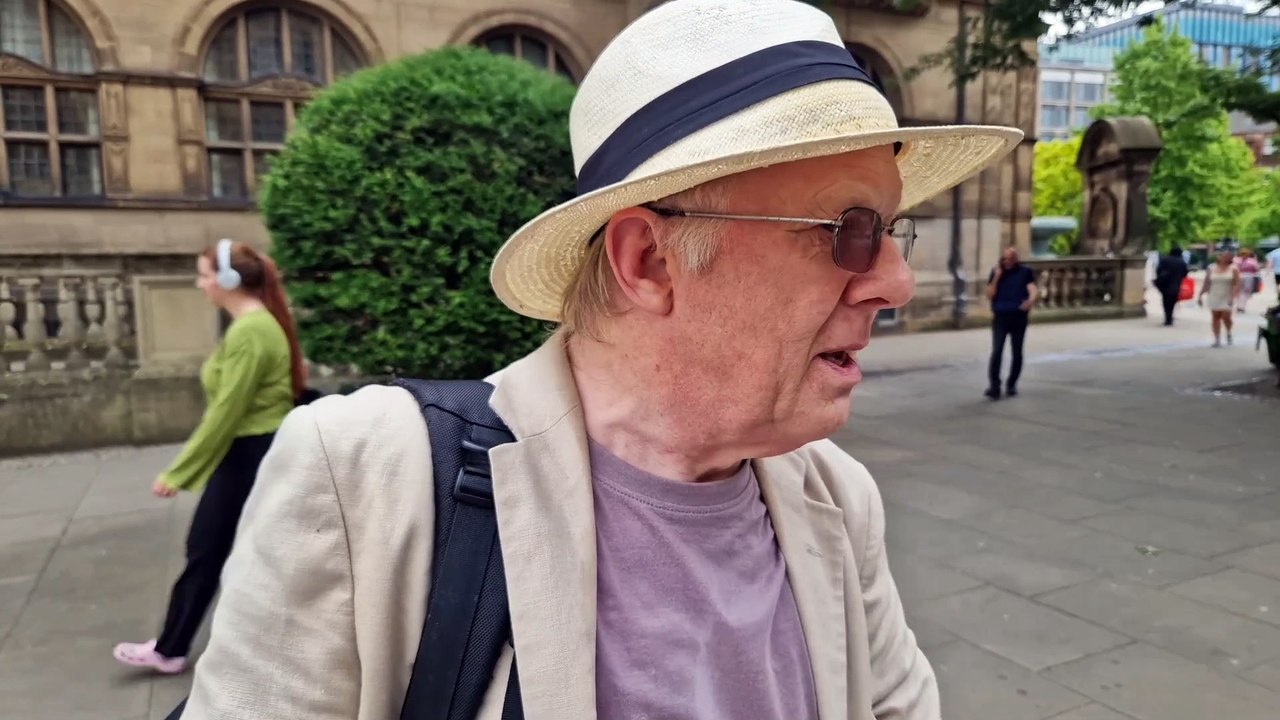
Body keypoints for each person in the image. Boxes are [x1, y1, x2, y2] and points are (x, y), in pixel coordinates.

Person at [178, 1, 1022, 718]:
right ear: (649, 262)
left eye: (891, 229)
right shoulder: (366, 477)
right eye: (849, 231)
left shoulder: (838, 498)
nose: (898, 282)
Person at [112, 239, 307, 674]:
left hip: (250, 450)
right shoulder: (252, 326)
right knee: (226, 550)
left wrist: (179, 472)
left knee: (209, 549)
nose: (199, 284)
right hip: (252, 448)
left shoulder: (252, 331)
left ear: (229, 280)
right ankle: (175, 646)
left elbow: (226, 413)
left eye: (203, 274)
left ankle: (172, 648)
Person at [983, 246, 1038, 400]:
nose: (1006, 262)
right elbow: (989, 294)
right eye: (1004, 259)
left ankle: (1011, 384)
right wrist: (997, 277)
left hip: (1018, 316)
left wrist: (1030, 300)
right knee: (997, 350)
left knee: (1017, 351)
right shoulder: (996, 272)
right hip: (1001, 316)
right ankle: (994, 386)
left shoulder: (1025, 272)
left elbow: (1032, 288)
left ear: (1015, 259)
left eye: (1010, 259)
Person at [1199, 247, 1241, 347]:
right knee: (1215, 317)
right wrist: (1200, 295)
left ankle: (1228, 331)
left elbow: (1236, 284)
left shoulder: (1234, 269)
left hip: (1227, 294)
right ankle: (1217, 339)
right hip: (1214, 294)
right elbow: (1207, 282)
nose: (1224, 257)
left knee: (1226, 317)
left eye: (1227, 256)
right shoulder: (1211, 268)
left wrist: (1233, 296)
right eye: (1222, 255)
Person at [1154, 243, 1189, 326]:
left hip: (1164, 284)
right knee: (1172, 301)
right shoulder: (1181, 262)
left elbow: (1158, 270)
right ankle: (1170, 317)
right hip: (1176, 284)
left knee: (1165, 301)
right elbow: (1185, 274)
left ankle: (1167, 317)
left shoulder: (1164, 260)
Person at [1236, 248, 1260, 313]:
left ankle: (1239, 306)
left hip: (1239, 276)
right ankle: (1242, 306)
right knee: (1245, 292)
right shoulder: (1252, 261)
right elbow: (1257, 269)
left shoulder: (1236, 260)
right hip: (1248, 277)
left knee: (1239, 292)